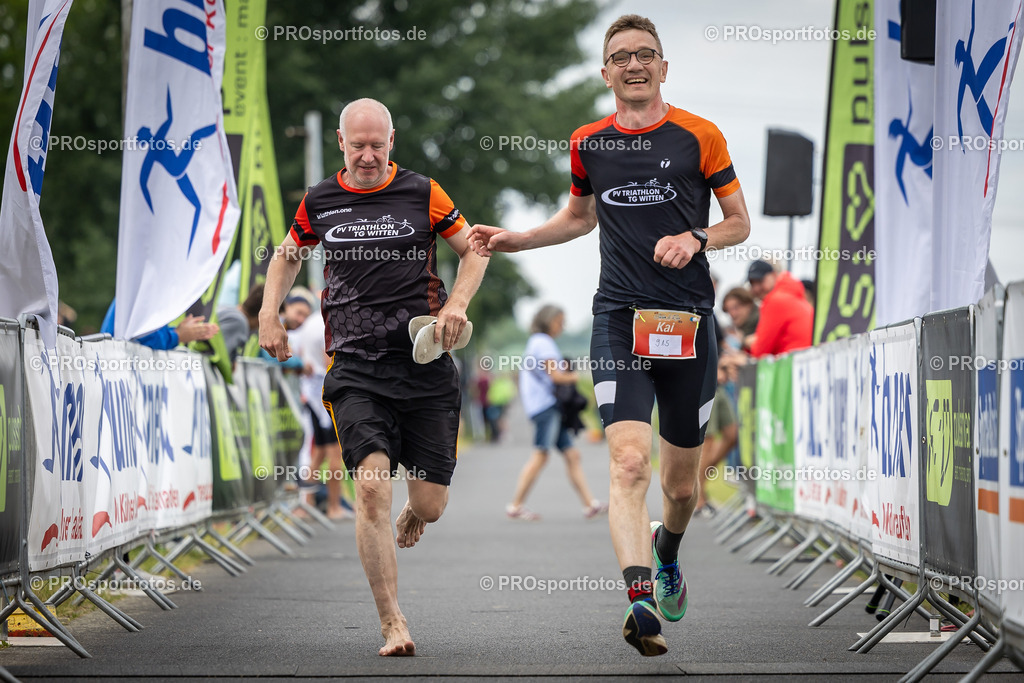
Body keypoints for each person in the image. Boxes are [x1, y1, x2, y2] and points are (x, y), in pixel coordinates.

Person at [468, 14, 750, 656]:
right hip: (619, 320)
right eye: (621, 56)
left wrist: (695, 236)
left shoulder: (700, 136)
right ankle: (639, 599)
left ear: (663, 67)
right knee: (627, 464)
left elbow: (738, 222)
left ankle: (668, 552)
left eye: (646, 54)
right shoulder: (588, 143)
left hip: (686, 322)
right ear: (605, 72)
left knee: (681, 487)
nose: (634, 65)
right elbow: (577, 217)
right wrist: (518, 239)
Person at [259, 98, 488, 657]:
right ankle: (392, 622)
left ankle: (417, 511)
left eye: (376, 144)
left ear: (392, 141)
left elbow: (475, 250)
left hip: (425, 364)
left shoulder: (423, 193)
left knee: (430, 503)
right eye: (357, 144)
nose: (367, 155)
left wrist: (456, 302)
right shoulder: (319, 200)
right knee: (370, 487)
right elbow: (288, 254)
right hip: (355, 368)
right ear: (341, 143)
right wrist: (269, 312)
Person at [506, 305, 608, 521]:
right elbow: (556, 376)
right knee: (540, 454)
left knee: (572, 455)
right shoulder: (544, 343)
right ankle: (515, 505)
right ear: (549, 320)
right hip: (546, 406)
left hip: (542, 406)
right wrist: (574, 376)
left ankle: (590, 504)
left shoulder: (535, 342)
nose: (562, 326)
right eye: (560, 321)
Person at [694, 357, 738, 517]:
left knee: (732, 434)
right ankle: (698, 498)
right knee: (707, 439)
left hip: (718, 383)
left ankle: (698, 487)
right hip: (704, 378)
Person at [746, 260, 813, 358]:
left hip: (793, 365)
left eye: (760, 281)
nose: (756, 288)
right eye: (752, 283)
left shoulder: (775, 300)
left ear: (774, 275)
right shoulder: (791, 295)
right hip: (804, 361)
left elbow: (760, 352)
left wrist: (747, 342)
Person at [721, 287, 760, 352]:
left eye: (736, 307)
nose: (732, 314)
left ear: (748, 305)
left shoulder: (760, 323)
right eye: (728, 310)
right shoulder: (742, 329)